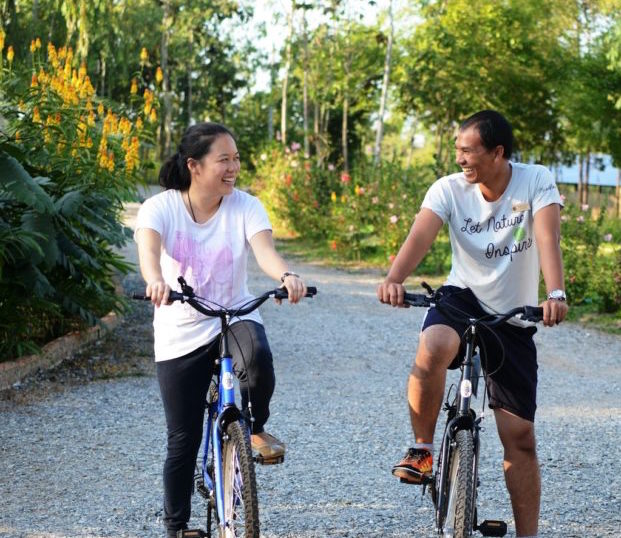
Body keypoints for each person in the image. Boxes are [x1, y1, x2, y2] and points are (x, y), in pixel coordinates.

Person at [377, 110, 568, 538]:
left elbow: (547, 237)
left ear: (498, 152)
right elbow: (420, 235)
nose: (460, 158)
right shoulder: (448, 189)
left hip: (513, 315)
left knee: (519, 438)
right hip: (462, 297)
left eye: (469, 150)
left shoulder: (535, 181)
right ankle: (422, 450)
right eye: (458, 149)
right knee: (433, 345)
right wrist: (393, 279)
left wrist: (555, 293)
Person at [134, 121, 307, 538]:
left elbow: (264, 250)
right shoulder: (162, 208)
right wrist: (154, 279)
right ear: (194, 165)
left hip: (234, 314)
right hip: (181, 326)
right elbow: (148, 249)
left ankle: (254, 428)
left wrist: (285, 275)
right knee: (183, 439)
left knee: (259, 360)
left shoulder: (246, 205)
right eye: (223, 160)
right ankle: (177, 527)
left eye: (237, 159)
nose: (234, 168)